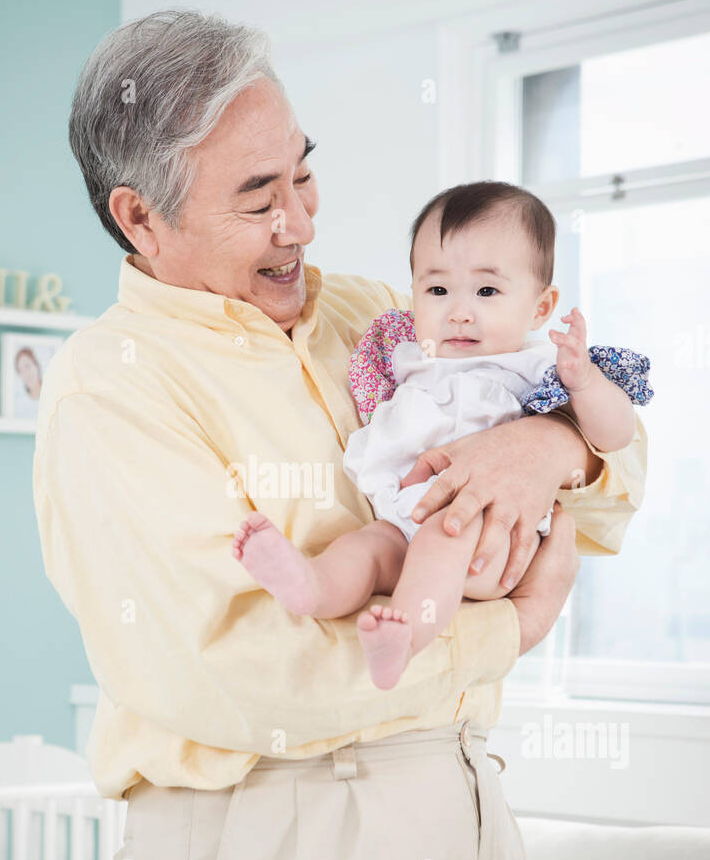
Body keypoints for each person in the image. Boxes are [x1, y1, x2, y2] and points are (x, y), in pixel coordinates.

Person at [32, 9, 647, 860]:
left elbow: (616, 476)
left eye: (304, 175)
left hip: (455, 789)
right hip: (279, 835)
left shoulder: (375, 314)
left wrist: (546, 444)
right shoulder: (110, 389)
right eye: (256, 196)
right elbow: (246, 675)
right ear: (138, 216)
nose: (299, 221)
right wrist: (507, 629)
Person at [233, 180, 652, 689]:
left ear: (541, 308)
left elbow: (616, 436)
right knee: (366, 549)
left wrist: (584, 383)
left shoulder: (538, 365)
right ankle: (311, 586)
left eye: (487, 291)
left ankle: (405, 641)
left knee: (440, 537)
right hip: (401, 516)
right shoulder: (403, 354)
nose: (458, 310)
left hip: (482, 537)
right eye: (437, 290)